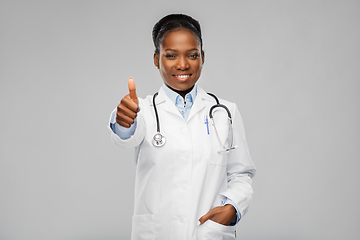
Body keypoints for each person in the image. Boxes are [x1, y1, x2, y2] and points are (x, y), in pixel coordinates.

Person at [108, 14, 256, 240]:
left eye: (192, 55)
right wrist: (123, 122)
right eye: (170, 55)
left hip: (208, 232)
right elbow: (126, 136)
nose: (183, 64)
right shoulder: (144, 111)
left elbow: (241, 173)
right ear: (157, 59)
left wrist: (233, 207)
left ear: (202, 58)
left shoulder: (225, 112)